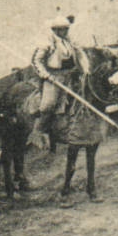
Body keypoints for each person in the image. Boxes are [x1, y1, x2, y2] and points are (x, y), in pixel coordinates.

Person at [30, 16, 87, 146]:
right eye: (61, 30)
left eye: (66, 29)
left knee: (78, 98)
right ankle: (38, 131)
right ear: (55, 30)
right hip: (54, 77)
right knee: (49, 104)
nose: (64, 32)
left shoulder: (69, 40)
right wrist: (47, 75)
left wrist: (85, 70)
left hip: (70, 75)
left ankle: (71, 129)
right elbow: (36, 61)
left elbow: (80, 53)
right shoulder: (48, 43)